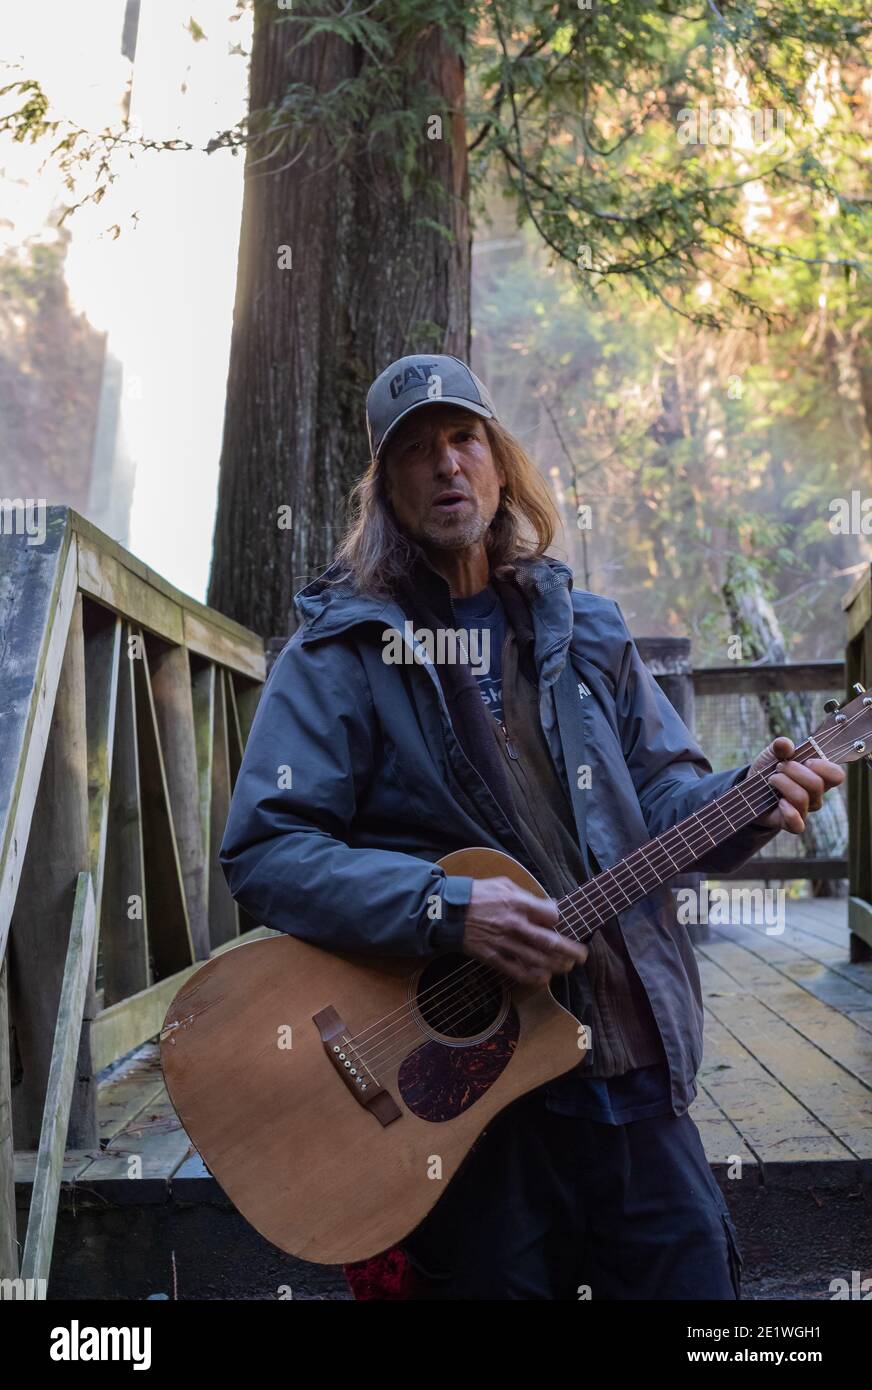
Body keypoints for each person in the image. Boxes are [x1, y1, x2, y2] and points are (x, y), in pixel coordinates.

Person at [219, 353, 845, 1300]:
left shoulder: (588, 630)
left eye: (464, 439)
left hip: (626, 1059)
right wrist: (446, 908)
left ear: (500, 463)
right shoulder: (339, 653)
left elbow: (668, 813)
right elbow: (268, 850)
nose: (447, 467)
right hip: (460, 1110)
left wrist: (754, 797)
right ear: (386, 490)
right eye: (417, 452)